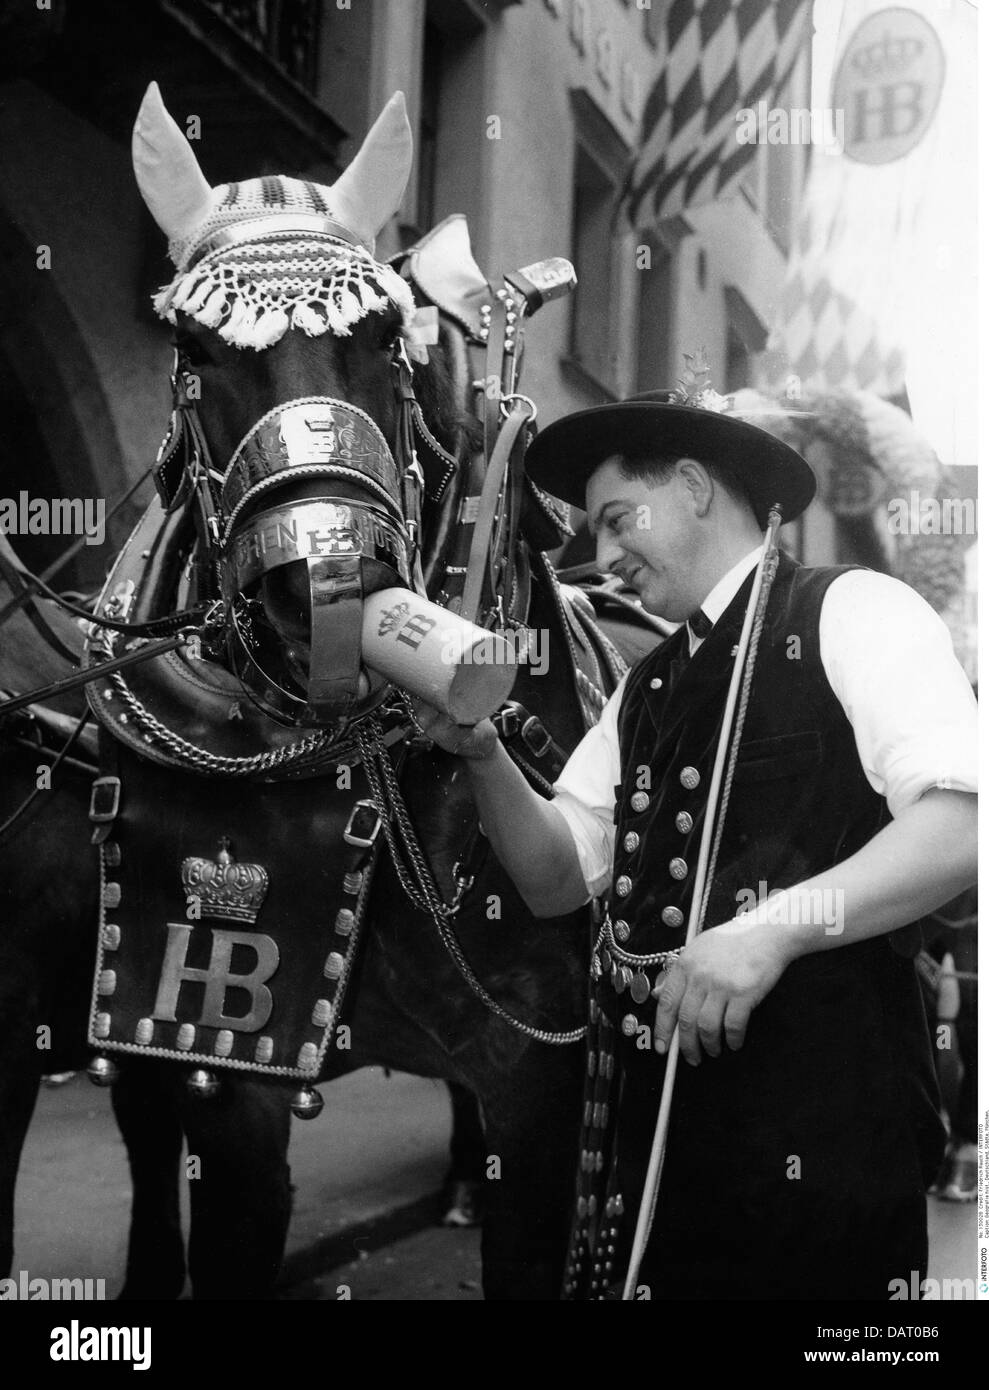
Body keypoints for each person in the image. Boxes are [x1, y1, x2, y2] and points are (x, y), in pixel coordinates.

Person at [410, 384, 978, 1301]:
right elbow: (557, 876)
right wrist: (481, 756)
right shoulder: (644, 690)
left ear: (692, 485)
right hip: (666, 1143)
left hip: (825, 1145)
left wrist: (771, 930)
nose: (604, 556)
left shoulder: (852, 609)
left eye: (617, 518)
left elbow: (960, 828)